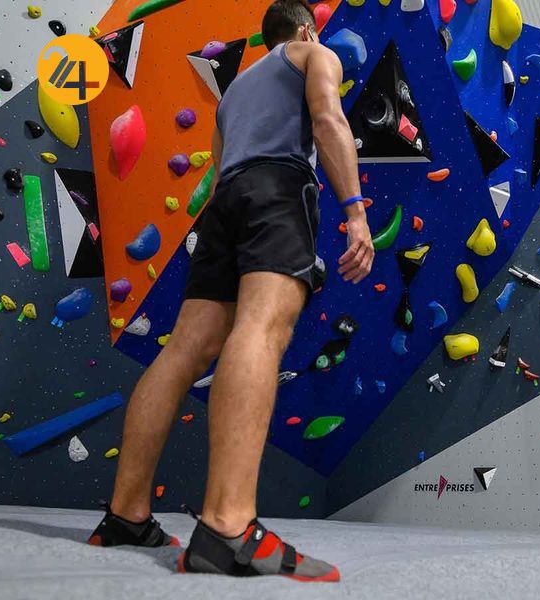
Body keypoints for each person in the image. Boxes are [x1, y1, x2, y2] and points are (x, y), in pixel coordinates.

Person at [87, 0, 374, 582]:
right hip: (279, 190)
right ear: (305, 29)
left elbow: (220, 174)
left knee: (182, 352)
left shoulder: (234, 93)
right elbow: (329, 122)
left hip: (225, 206)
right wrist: (355, 212)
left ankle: (125, 515)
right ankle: (228, 528)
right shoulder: (313, 53)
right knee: (262, 327)